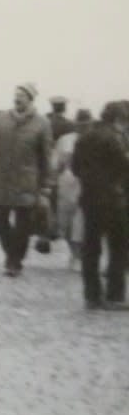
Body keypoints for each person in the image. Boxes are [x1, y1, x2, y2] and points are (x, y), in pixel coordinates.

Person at [0, 83, 53, 277]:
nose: (17, 98)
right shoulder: (0, 121)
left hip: (27, 181)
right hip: (1, 180)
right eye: (16, 95)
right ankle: (12, 253)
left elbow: (46, 156)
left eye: (21, 96)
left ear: (30, 99)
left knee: (23, 224)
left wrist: (46, 184)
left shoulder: (42, 124)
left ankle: (14, 261)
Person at [71, 101, 129, 311]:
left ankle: (91, 296)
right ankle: (114, 295)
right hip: (114, 200)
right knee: (119, 247)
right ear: (117, 120)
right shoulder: (115, 139)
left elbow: (75, 167)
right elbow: (125, 166)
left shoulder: (85, 137)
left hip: (89, 198)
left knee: (91, 247)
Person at [54, 108, 91, 268]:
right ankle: (75, 252)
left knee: (80, 220)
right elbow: (57, 163)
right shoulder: (66, 140)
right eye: (81, 124)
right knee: (67, 221)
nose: (83, 127)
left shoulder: (94, 139)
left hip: (85, 182)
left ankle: (78, 255)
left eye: (86, 124)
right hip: (68, 182)